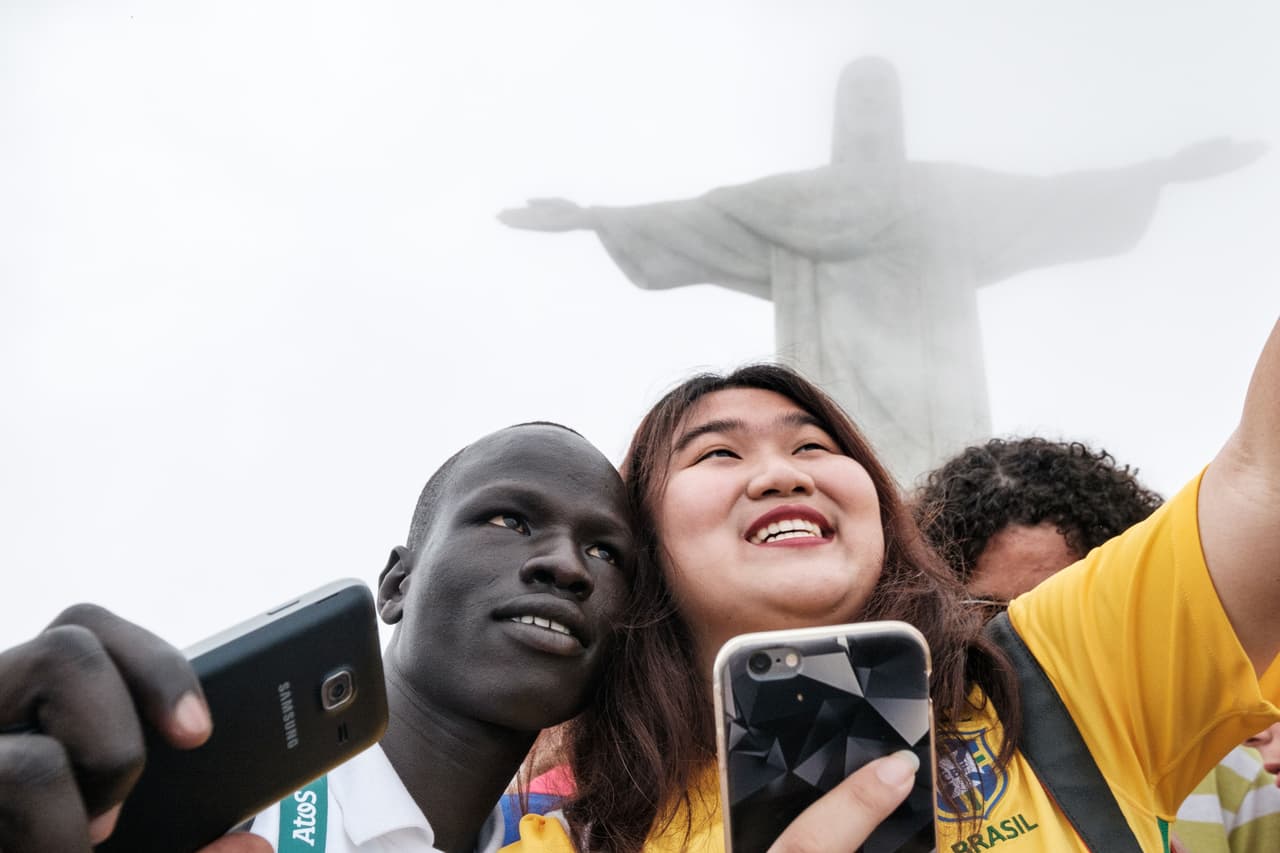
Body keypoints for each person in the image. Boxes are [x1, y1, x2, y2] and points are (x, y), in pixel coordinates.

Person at [505, 314, 1280, 852]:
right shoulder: (566, 834)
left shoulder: (1061, 675)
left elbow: (1264, 479)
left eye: (814, 446)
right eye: (718, 454)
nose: (781, 474)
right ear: (641, 541)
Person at [498, 55, 1266, 482]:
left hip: (935, 393)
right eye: (856, 98)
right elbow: (700, 219)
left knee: (943, 487)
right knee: (841, 458)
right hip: (830, 380)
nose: (868, 110)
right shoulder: (794, 202)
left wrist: (1160, 173)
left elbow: (1053, 202)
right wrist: (596, 217)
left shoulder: (943, 197)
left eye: (879, 97)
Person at [0, 422, 636, 853]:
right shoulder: (188, 800)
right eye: (510, 520)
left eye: (606, 552)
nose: (567, 566)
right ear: (397, 585)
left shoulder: (587, 842)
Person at [914, 437, 1280, 851]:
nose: (1026, 639)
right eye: (991, 614)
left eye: (1063, 605)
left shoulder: (1235, 775)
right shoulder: (920, 767)